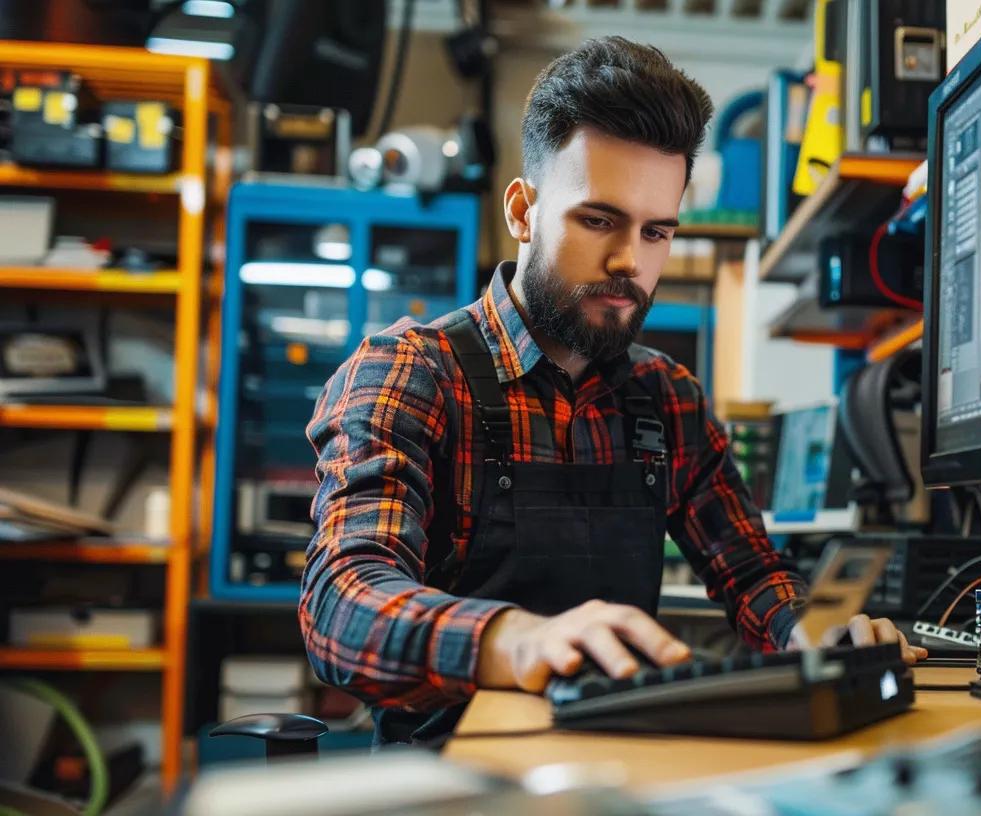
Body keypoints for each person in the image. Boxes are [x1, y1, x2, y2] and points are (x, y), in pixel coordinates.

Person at [300, 36, 926, 745]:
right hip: (453, 771)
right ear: (522, 211)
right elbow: (341, 605)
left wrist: (815, 631)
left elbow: (752, 572)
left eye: (656, 231)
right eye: (599, 220)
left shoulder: (668, 399)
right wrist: (517, 642)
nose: (630, 261)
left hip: (616, 755)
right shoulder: (410, 375)